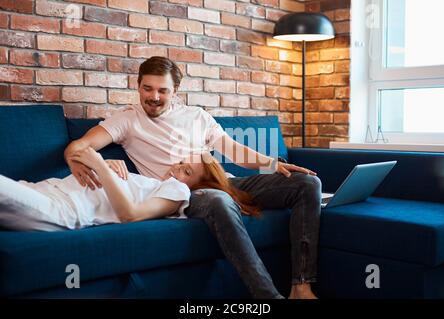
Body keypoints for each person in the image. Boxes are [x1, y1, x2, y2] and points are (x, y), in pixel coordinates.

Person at [64, 56, 322, 299]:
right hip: (185, 193)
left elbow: (232, 149)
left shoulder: (196, 116)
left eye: (162, 90)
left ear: (175, 90)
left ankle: (301, 287)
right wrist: (90, 162)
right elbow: (79, 146)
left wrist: (272, 163)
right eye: (147, 88)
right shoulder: (127, 119)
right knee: (220, 200)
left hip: (223, 181)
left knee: (307, 183)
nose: (154, 97)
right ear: (138, 86)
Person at [0, 149, 258, 231]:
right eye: (180, 162)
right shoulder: (152, 183)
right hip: (47, 188)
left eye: (186, 171)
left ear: (197, 187)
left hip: (63, 208)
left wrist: (100, 166)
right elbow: (78, 151)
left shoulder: (179, 192)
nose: (176, 169)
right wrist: (107, 167)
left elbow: (130, 215)